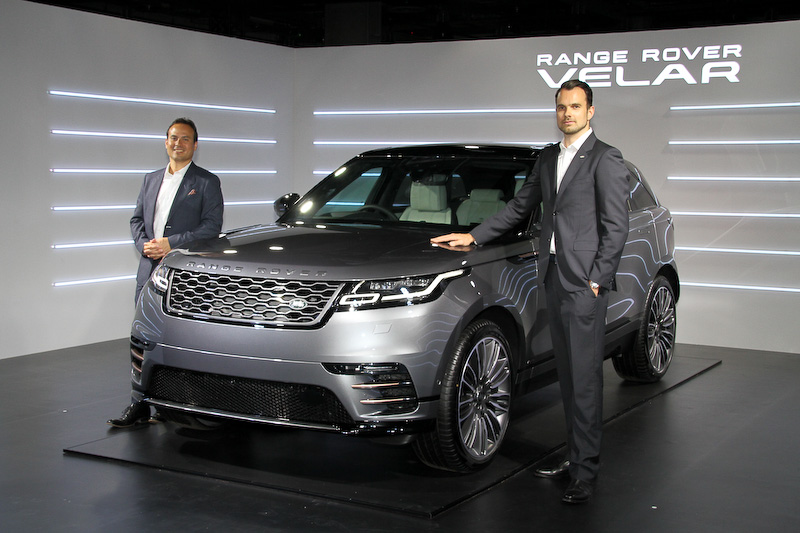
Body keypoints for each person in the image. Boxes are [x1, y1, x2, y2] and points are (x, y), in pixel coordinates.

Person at [432, 80, 629, 504]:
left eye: (575, 106)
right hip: (554, 277)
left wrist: (598, 279)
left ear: (590, 111)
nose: (567, 113)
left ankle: (585, 472)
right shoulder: (548, 157)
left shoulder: (605, 158)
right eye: (561, 107)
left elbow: (617, 225)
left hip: (584, 284)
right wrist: (473, 236)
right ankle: (574, 457)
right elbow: (520, 207)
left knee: (585, 380)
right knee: (568, 378)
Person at [108, 117, 224, 428]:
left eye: (185, 139)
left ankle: (183, 404)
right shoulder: (150, 179)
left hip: (185, 273)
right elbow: (136, 220)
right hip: (148, 270)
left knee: (185, 340)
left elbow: (211, 228)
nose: (178, 143)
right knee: (143, 339)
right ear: (165, 142)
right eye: (173, 137)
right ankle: (140, 404)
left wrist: (170, 244)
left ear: (195, 145)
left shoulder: (207, 182)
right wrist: (145, 245)